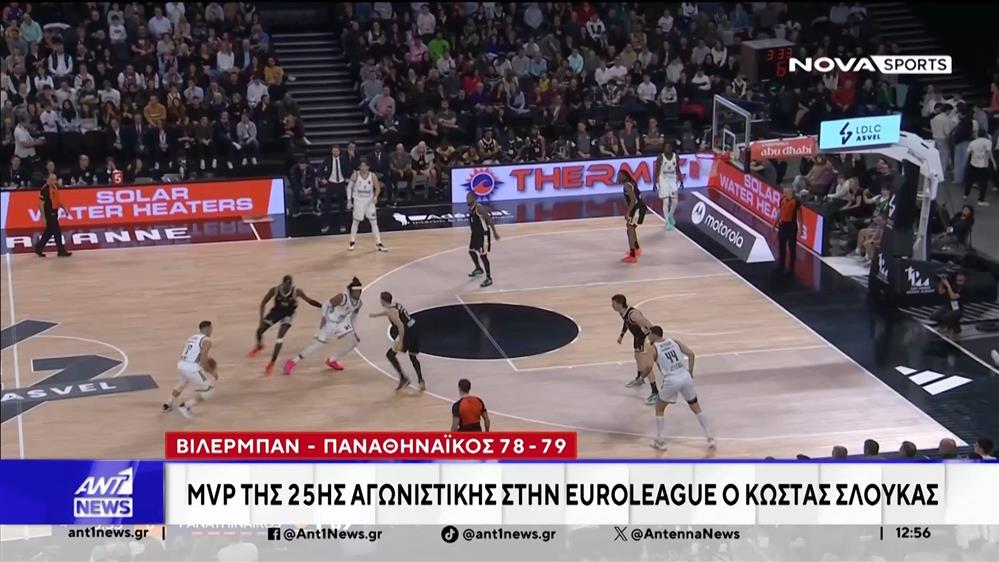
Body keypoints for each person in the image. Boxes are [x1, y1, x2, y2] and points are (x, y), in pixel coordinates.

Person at [647, 326, 714, 451]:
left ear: (654, 334)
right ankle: (710, 438)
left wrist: (643, 374)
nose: (648, 336)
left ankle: (660, 441)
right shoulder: (674, 341)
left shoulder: (653, 348)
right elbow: (691, 354)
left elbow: (647, 366)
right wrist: (690, 372)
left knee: (659, 407)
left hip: (671, 380)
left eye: (649, 334)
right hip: (685, 377)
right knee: (696, 407)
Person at [283, 277, 363, 375]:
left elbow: (354, 317)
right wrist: (324, 317)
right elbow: (325, 305)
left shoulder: (359, 303)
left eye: (359, 292)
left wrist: (354, 331)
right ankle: (292, 361)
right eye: (355, 292)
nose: (357, 294)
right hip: (330, 321)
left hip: (341, 322)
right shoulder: (342, 297)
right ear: (350, 291)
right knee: (318, 345)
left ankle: (332, 360)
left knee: (354, 342)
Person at [248, 275, 322, 376]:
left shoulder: (297, 292)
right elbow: (263, 303)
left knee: (279, 337)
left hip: (288, 314)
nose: (287, 287)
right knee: (259, 330)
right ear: (282, 284)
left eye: (289, 285)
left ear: (291, 285)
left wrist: (322, 306)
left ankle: (271, 363)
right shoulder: (275, 290)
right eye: (286, 285)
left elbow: (310, 301)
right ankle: (260, 346)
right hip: (276, 312)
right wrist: (261, 319)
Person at [370, 291, 425, 391]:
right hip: (414, 329)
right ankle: (421, 380)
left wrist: (401, 342)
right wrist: (376, 315)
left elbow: (400, 326)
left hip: (406, 334)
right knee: (413, 356)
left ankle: (403, 378)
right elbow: (389, 312)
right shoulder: (396, 304)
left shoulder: (391, 312)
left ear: (383, 301)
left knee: (390, 355)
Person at [163, 320, 218, 419]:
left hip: (181, 364)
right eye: (211, 328)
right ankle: (185, 406)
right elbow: (203, 360)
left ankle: (168, 403)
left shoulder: (192, 337)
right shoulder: (207, 341)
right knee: (209, 390)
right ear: (207, 329)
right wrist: (212, 372)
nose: (211, 330)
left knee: (182, 383)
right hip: (192, 368)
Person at [612, 294, 658, 405]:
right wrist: (621, 335)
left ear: (619, 304)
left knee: (646, 366)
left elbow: (649, 325)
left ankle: (655, 392)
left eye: (614, 304)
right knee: (637, 356)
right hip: (637, 337)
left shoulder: (633, 315)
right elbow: (626, 323)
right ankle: (639, 379)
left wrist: (652, 340)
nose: (612, 306)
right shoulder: (622, 312)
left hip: (644, 339)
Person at [347, 159, 387, 252]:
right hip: (358, 201)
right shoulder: (355, 175)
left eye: (365, 166)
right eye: (361, 166)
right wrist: (349, 200)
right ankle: (352, 241)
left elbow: (377, 188)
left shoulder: (372, 176)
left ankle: (379, 242)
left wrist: (376, 197)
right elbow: (349, 187)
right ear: (359, 167)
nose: (363, 168)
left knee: (374, 222)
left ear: (368, 167)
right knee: (356, 221)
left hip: (369, 201)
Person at [466, 191, 501, 287]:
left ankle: (489, 278)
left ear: (474, 199)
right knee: (471, 251)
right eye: (467, 198)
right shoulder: (471, 208)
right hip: (475, 235)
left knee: (483, 256)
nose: (467, 200)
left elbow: (489, 220)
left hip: (483, 235)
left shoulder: (479, 208)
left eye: (469, 198)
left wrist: (495, 233)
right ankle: (478, 268)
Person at [33, 174, 72, 257]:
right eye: (51, 179)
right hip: (49, 213)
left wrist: (64, 208)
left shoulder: (55, 187)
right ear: (47, 180)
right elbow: (41, 204)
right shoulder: (45, 189)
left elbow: (57, 200)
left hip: (54, 212)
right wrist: (43, 217)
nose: (53, 181)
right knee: (57, 232)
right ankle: (61, 250)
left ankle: (38, 248)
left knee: (49, 232)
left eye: (54, 179)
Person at [654, 142, 683, 230]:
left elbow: (677, 169)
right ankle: (667, 221)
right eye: (665, 148)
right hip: (663, 180)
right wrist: (654, 183)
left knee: (675, 201)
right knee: (666, 202)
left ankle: (670, 215)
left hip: (672, 180)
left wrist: (681, 180)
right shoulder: (660, 157)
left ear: (671, 148)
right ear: (663, 149)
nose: (667, 149)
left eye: (669, 147)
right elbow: (656, 170)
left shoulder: (676, 157)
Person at [774, 185, 801, 276]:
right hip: (783, 225)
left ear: (791, 192)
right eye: (784, 192)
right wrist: (775, 223)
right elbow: (779, 212)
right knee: (781, 246)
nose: (784, 193)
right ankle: (781, 264)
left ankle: (791, 268)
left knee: (791, 247)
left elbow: (799, 216)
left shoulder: (796, 202)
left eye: (786, 192)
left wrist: (800, 228)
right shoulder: (782, 200)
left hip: (791, 226)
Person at [931, 270, 967, 337]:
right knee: (934, 316)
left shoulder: (964, 287)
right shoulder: (953, 283)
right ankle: (944, 326)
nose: (959, 277)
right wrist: (942, 282)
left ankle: (955, 330)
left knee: (947, 317)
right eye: (958, 275)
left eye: (961, 275)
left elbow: (953, 297)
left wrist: (948, 285)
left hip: (957, 309)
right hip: (948, 306)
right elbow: (941, 292)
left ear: (965, 277)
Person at [620, 169, 645, 263]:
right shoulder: (631, 183)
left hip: (637, 209)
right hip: (638, 208)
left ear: (624, 176)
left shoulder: (627, 185)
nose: (618, 178)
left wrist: (628, 212)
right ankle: (636, 249)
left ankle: (633, 255)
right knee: (630, 228)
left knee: (630, 229)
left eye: (619, 176)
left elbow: (633, 200)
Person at [965, 129, 995, 206]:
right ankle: (981, 200)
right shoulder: (988, 142)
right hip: (983, 165)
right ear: (985, 134)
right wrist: (993, 162)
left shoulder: (973, 142)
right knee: (983, 183)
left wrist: (967, 161)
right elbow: (989, 152)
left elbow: (968, 153)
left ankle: (966, 194)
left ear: (977, 134)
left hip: (973, 163)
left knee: (969, 180)